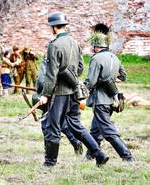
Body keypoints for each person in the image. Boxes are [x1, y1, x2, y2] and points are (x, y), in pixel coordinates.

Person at [39, 11, 109, 167]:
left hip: (58, 94)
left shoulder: (54, 45)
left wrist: (45, 94)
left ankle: (50, 163)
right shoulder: (75, 43)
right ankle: (99, 154)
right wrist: (70, 78)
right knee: (76, 126)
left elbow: (51, 74)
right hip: (73, 92)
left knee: (52, 126)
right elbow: (80, 68)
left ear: (53, 27)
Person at [84, 32, 134, 161]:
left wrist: (81, 91)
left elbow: (91, 82)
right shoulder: (114, 57)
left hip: (100, 100)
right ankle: (90, 155)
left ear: (96, 46)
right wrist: (111, 79)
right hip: (112, 98)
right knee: (96, 129)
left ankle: (127, 156)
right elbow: (123, 76)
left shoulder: (96, 58)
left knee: (107, 131)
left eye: (93, 46)